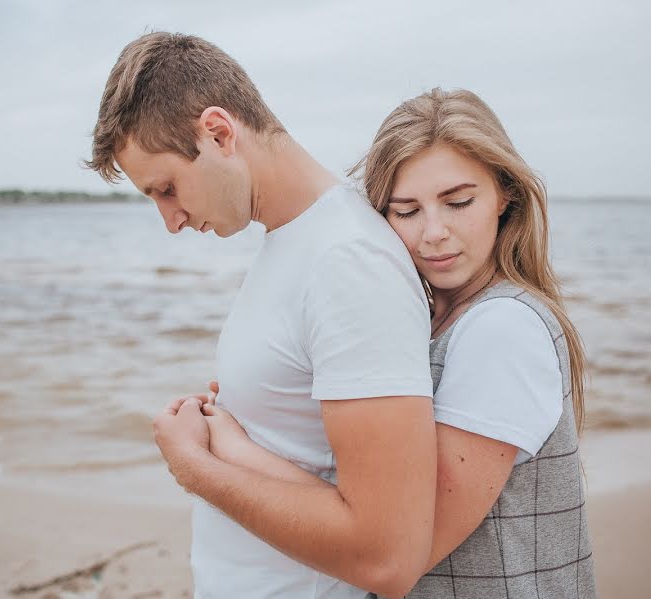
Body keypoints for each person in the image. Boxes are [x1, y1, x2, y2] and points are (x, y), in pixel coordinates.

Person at [203, 88, 597, 598]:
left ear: (505, 194)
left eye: (458, 202)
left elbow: (395, 545)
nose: (433, 232)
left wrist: (226, 453)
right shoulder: (434, 318)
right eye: (405, 211)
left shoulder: (503, 329)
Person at [86, 33, 437, 598]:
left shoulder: (347, 261)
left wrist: (194, 467)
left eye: (168, 189)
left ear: (219, 133)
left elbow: (386, 556)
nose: (170, 221)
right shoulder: (294, 240)